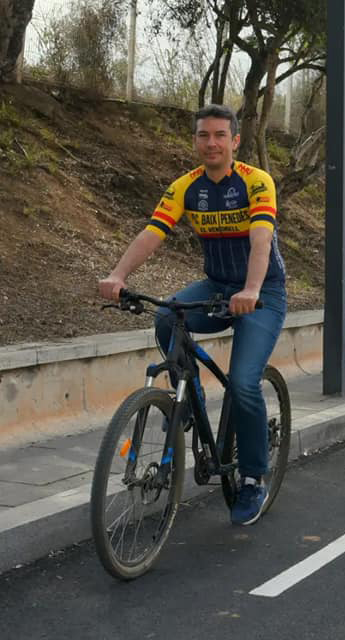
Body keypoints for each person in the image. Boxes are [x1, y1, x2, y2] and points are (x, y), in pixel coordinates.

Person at [97, 104, 286, 526]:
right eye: (204, 135)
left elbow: (261, 239)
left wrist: (252, 289)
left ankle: (254, 476)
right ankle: (189, 398)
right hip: (217, 287)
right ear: (196, 140)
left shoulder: (257, 182)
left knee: (242, 383)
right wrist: (117, 274)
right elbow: (153, 232)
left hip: (263, 292)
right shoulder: (185, 186)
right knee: (166, 317)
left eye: (220, 135)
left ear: (235, 141)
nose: (212, 143)